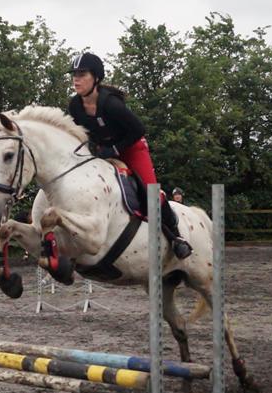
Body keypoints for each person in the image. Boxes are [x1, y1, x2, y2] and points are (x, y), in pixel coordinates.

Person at [66, 52, 192, 259]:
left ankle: (177, 237)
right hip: (103, 151)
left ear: (96, 77)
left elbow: (138, 129)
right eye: (74, 75)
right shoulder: (75, 106)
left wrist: (115, 150)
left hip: (132, 147)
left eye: (82, 74)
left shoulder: (111, 104)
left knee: (151, 194)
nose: (76, 79)